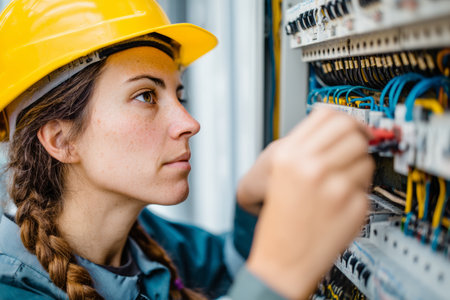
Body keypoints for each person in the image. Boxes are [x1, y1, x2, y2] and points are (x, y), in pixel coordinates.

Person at [0, 0, 374, 299]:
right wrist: (276, 281)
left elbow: (229, 272)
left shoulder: (143, 239)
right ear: (61, 141)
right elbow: (260, 275)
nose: (189, 123)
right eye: (146, 96)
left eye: (179, 95)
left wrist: (250, 202)